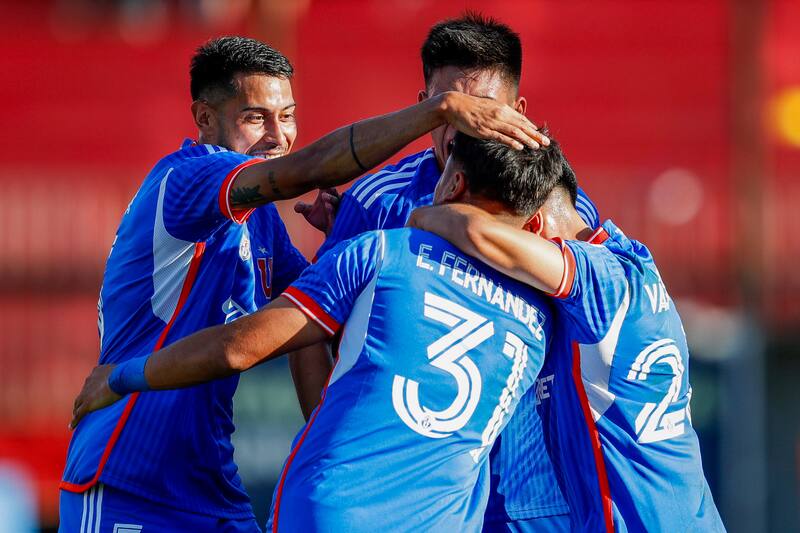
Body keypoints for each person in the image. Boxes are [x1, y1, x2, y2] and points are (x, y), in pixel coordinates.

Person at [58, 35, 544, 532]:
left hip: (210, 482)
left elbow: (314, 311)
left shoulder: (261, 222)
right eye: (256, 118)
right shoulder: (188, 177)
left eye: (287, 116)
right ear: (204, 118)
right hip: (129, 474)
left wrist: (346, 236)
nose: (278, 136)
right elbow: (302, 170)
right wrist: (438, 111)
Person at [297, 13, 594, 531]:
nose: (466, 131)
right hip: (407, 493)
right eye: (452, 112)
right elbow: (312, 330)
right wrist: (331, 445)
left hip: (525, 490)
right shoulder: (375, 201)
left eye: (486, 112)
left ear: (519, 112)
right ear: (424, 109)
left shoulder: (559, 212)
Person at [408, 134, 726, 532]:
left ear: (533, 227)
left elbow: (477, 233)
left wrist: (422, 219)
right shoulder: (624, 268)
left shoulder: (602, 278)